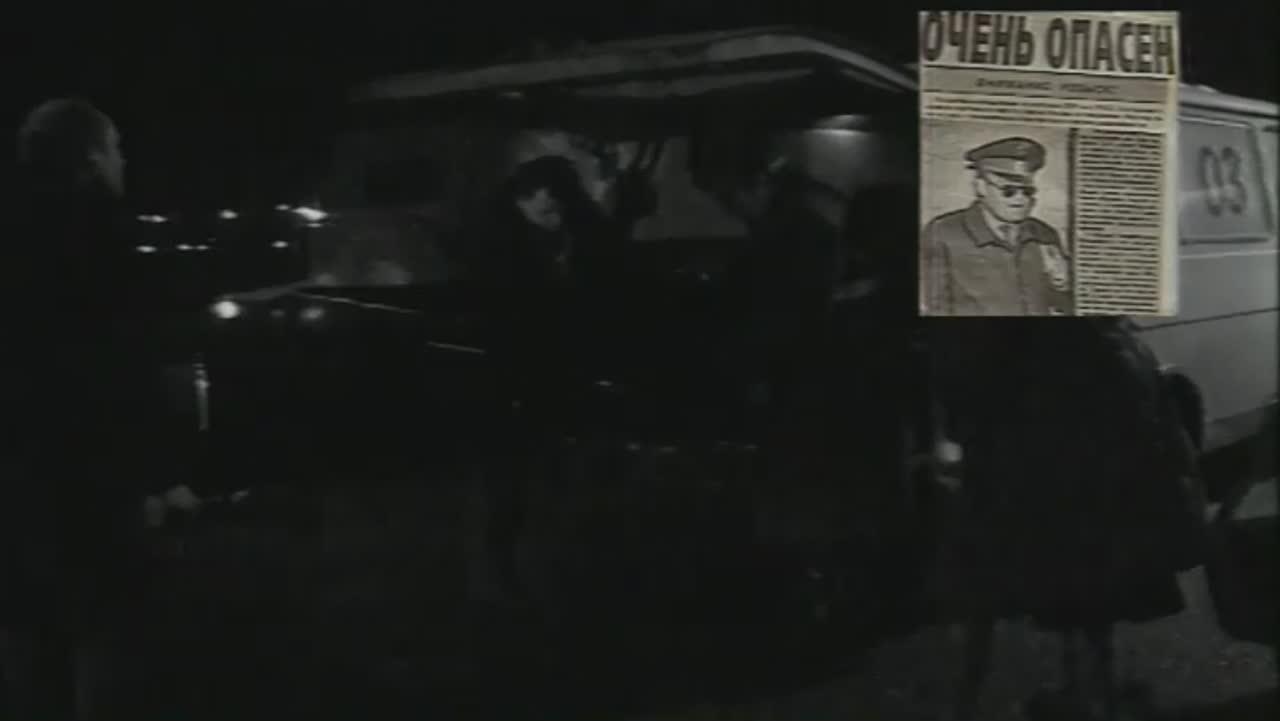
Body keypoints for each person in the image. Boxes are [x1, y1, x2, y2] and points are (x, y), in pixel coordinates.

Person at [1, 97, 200, 720]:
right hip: (90, 475)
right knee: (108, 627)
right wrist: (159, 477)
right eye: (115, 149)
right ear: (89, 158)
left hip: (18, 469)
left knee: (34, 634)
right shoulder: (96, 237)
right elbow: (121, 367)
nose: (123, 162)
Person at [928, 317, 1207, 721]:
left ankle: (1067, 692)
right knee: (1093, 580)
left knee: (1022, 574)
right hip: (1111, 471)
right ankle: (1095, 686)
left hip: (1038, 467)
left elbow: (969, 392)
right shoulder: (1104, 329)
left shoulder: (1005, 327)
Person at [465, 154, 636, 607]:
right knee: (518, 487)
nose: (548, 205)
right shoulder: (505, 250)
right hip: (521, 383)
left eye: (555, 198)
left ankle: (537, 580)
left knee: (545, 486)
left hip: (553, 382)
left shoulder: (571, 239)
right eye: (536, 198)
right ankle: (516, 580)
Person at [920, 137, 1073, 316]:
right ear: (981, 187)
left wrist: (1063, 285)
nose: (1020, 200)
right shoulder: (943, 233)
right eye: (1008, 191)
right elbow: (935, 309)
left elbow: (1067, 308)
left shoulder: (1044, 234)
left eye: (1027, 192)